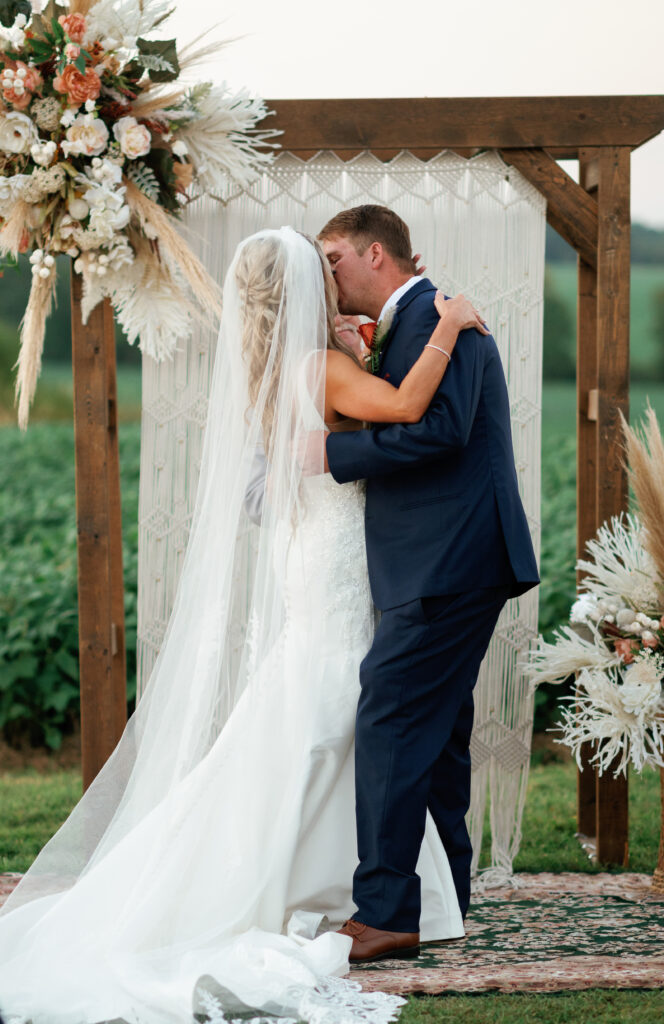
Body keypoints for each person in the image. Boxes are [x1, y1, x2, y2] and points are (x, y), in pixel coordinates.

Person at [0, 227, 484, 1024]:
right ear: (304, 290)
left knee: (327, 710)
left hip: (315, 557)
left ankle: (349, 878)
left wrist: (346, 348)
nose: (335, 276)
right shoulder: (318, 367)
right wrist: (450, 326)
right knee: (338, 710)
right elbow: (400, 407)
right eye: (323, 268)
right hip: (335, 561)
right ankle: (342, 883)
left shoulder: (273, 370)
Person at [313, 205, 540, 962]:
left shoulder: (445, 319)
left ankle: (385, 912)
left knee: (390, 718)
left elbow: (437, 430)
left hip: (450, 558)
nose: (329, 273)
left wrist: (330, 456)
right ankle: (445, 902)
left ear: (378, 253)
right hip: (442, 558)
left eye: (336, 256)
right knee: (436, 733)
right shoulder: (413, 326)